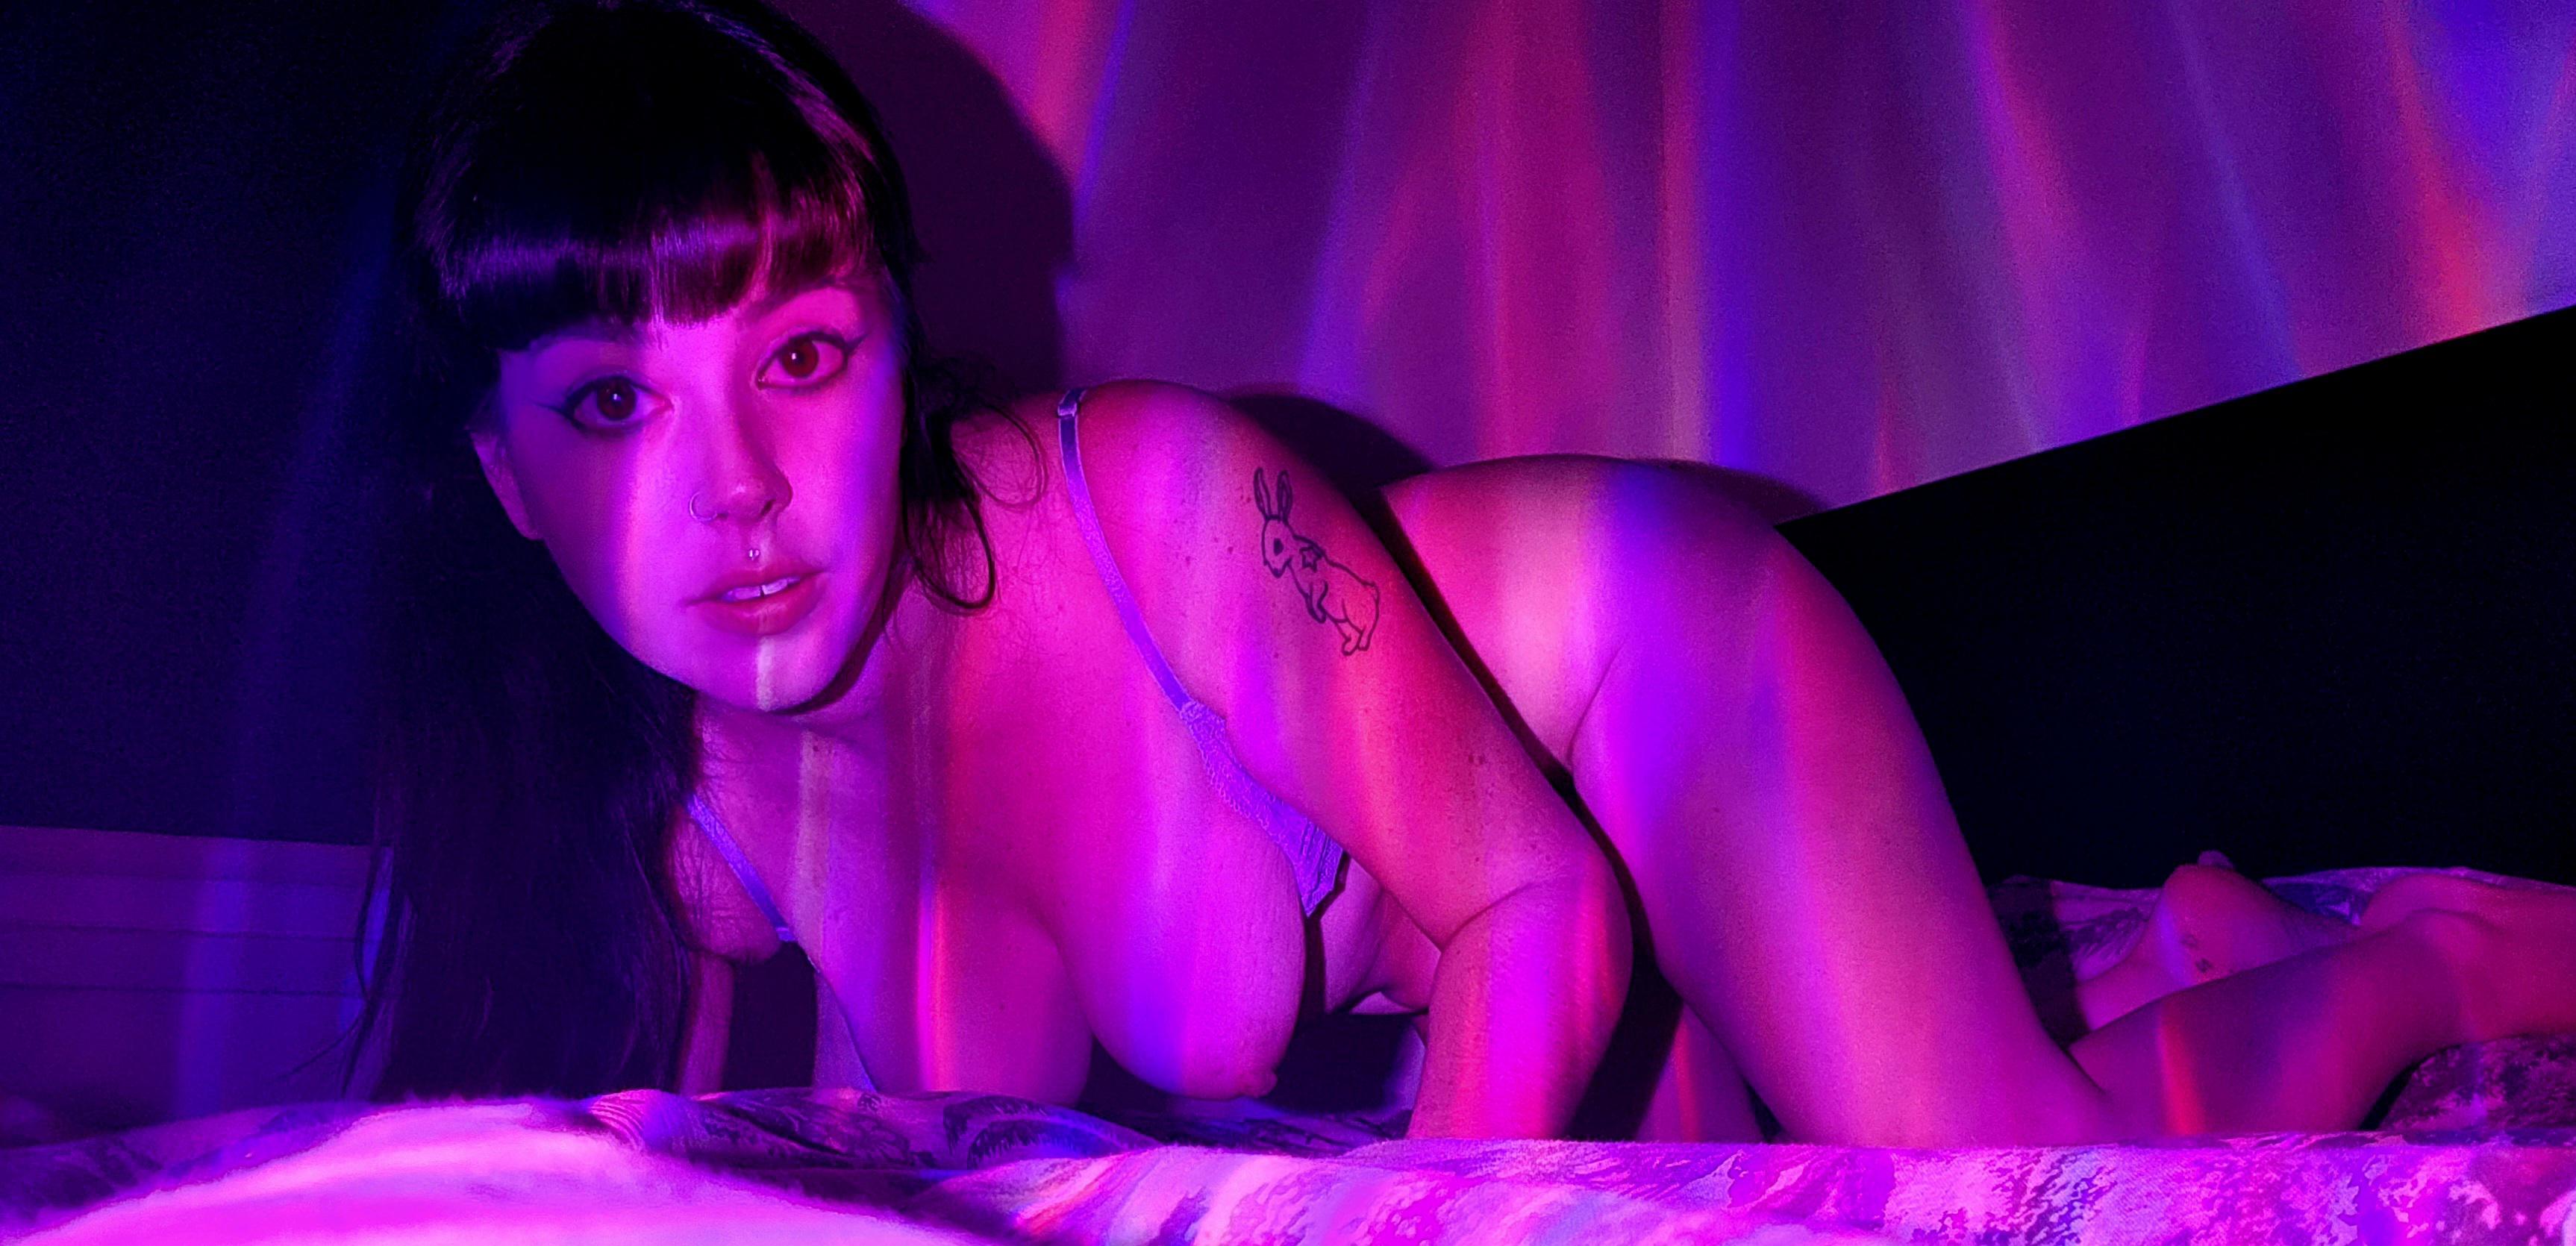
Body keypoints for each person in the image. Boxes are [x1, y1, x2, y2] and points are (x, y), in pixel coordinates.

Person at [354, 0, 2576, 1145]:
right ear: (501, 473)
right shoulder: (692, 841)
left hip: (1640, 690)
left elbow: (1538, 911)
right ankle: (2196, 944)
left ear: (896, 348)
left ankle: (2435, 962)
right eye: (615, 403)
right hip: (1496, 917)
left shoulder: (1151, 505)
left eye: (803, 355)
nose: (740, 489)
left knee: (1992, 1183)